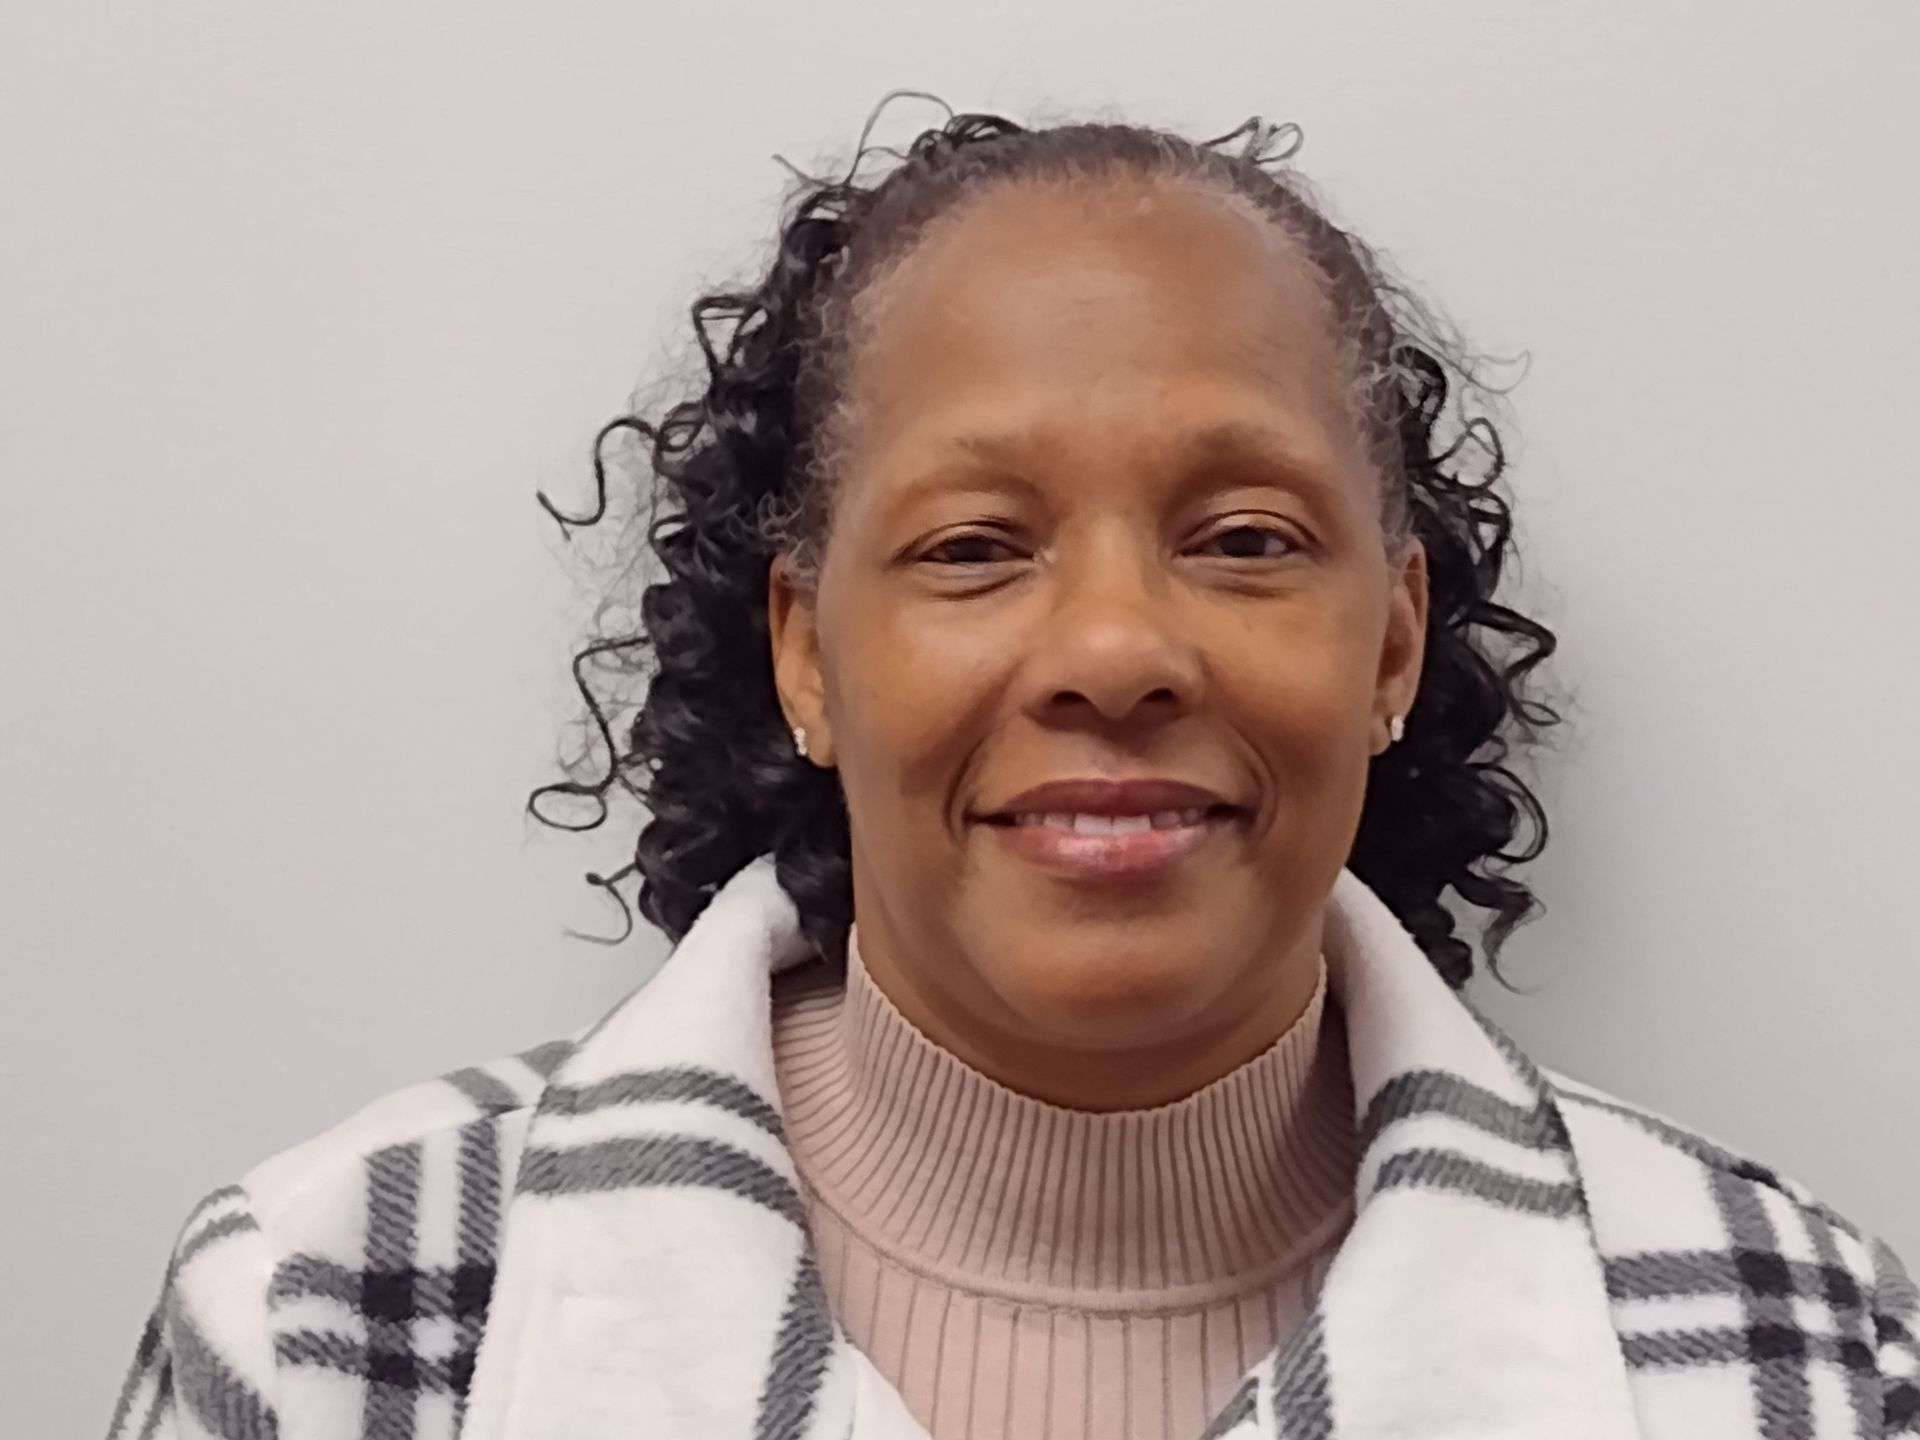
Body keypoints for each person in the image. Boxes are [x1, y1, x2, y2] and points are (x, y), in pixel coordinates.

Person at [107, 93, 1917, 1440]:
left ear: (1390, 643)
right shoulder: (338, 1314)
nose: (1116, 650)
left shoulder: (1805, 1356)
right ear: (807, 651)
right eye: (976, 547)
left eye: (1247, 538)